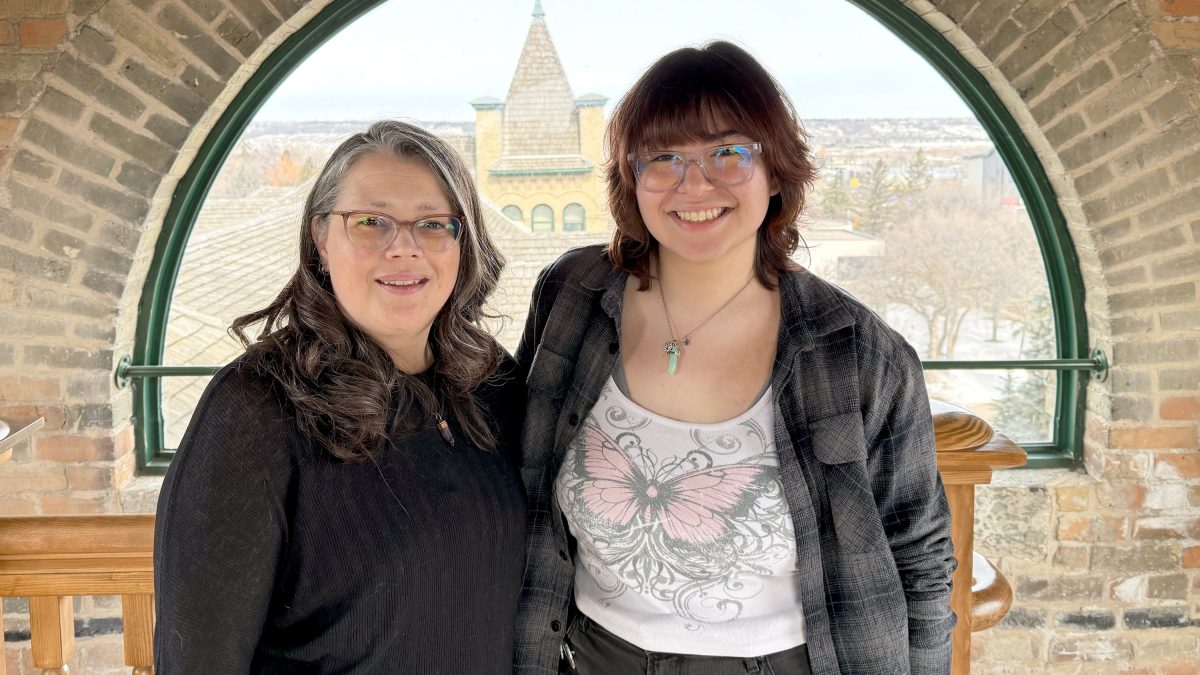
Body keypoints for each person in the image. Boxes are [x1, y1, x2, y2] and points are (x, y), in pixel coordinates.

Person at [514, 42, 956, 674]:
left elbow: (919, 556)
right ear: (630, 178)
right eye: (663, 157)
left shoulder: (857, 353)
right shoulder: (573, 296)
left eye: (729, 152)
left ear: (775, 171)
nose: (695, 184)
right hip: (589, 656)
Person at [154, 120, 527, 673]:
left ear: (461, 242)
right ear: (321, 239)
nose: (404, 249)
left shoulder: (490, 381)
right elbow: (200, 656)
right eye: (371, 223)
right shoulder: (257, 409)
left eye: (432, 224)